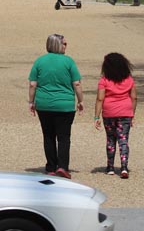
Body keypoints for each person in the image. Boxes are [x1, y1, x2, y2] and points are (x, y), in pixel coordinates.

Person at [28, 33, 84, 179]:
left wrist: (31, 102)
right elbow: (76, 83)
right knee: (64, 137)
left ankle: (51, 166)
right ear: (57, 45)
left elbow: (33, 84)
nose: (66, 46)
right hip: (64, 104)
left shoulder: (40, 61)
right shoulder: (68, 62)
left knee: (48, 135)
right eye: (64, 43)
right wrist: (80, 100)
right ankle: (63, 166)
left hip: (44, 103)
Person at [94, 52, 136, 178]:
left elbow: (100, 98)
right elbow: (134, 97)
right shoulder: (129, 79)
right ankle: (124, 167)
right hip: (125, 111)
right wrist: (132, 114)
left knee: (111, 139)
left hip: (109, 112)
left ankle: (110, 166)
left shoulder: (104, 80)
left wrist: (96, 116)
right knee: (123, 140)